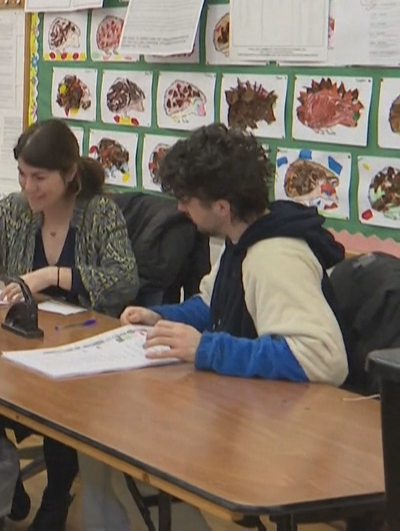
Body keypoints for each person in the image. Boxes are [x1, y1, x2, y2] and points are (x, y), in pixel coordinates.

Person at [75, 124, 350, 531]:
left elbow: (323, 360)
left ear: (221, 206)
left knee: (132, 448)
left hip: (286, 431)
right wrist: (163, 317)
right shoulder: (244, 238)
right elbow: (212, 305)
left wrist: (206, 349)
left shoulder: (273, 257)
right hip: (247, 404)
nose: (181, 210)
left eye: (187, 201)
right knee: (106, 438)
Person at [0, 118, 138, 531]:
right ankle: (9, 477)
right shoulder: (15, 210)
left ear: (69, 174)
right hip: (21, 340)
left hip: (80, 347)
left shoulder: (101, 214)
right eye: (23, 175)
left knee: (58, 410)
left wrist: (52, 276)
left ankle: (57, 493)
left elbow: (124, 279)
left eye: (40, 178)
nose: (29, 187)